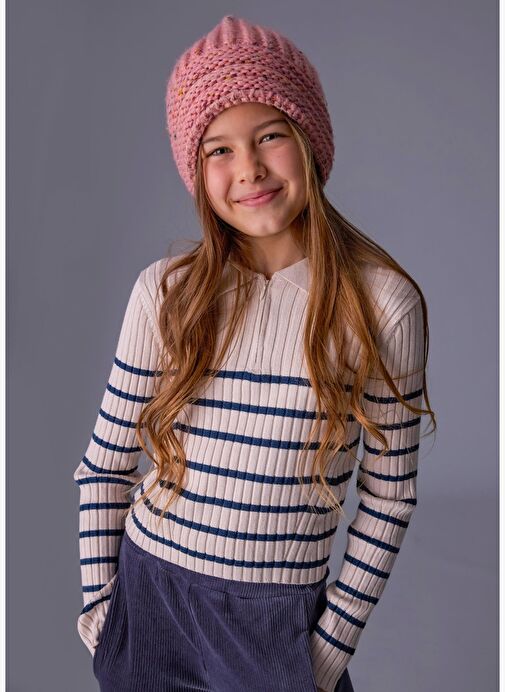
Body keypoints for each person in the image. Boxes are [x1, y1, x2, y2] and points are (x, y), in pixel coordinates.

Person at [73, 14, 436, 692]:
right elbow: (104, 468)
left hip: (275, 629)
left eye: (270, 135)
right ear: (195, 169)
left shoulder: (380, 305)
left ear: (310, 141)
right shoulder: (166, 294)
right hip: (149, 605)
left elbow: (390, 496)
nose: (249, 169)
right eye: (219, 149)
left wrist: (325, 654)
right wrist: (102, 614)